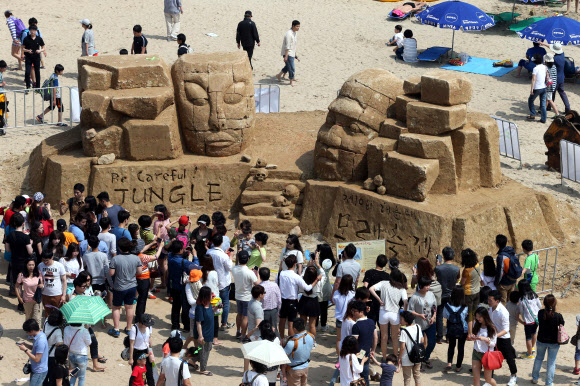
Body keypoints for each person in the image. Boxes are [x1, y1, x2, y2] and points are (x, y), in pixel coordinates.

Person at [279, 254, 322, 341]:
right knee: (292, 324)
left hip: (283, 300)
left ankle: (282, 338)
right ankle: (293, 340)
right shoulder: (296, 277)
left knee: (282, 321)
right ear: (295, 264)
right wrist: (317, 279)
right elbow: (308, 287)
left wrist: (307, 267)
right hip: (294, 301)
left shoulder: (281, 274)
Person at [369, 268, 408, 361]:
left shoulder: (383, 283)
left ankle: (384, 357)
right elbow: (405, 302)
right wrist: (403, 314)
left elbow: (371, 289)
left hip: (383, 312)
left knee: (384, 337)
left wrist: (379, 299)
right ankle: (395, 357)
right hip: (395, 313)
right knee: (394, 338)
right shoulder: (401, 288)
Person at [108, 237, 142, 338]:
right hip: (132, 286)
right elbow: (139, 272)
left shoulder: (115, 259)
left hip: (119, 287)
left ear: (119, 248)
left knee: (116, 307)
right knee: (129, 307)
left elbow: (111, 273)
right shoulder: (136, 258)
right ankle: (128, 328)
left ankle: (116, 329)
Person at [532, 294, 564, 385]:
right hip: (554, 342)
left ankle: (535, 378)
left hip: (541, 340)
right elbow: (562, 325)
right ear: (554, 304)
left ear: (544, 303)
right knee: (551, 363)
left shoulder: (540, 313)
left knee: (538, 359)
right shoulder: (558, 316)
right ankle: (549, 382)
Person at [488, 289, 518, 386]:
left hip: (503, 338)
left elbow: (506, 329)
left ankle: (513, 375)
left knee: (509, 358)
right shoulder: (490, 309)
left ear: (497, 301)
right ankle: (490, 378)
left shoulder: (503, 311)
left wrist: (495, 336)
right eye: (488, 300)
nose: (488, 302)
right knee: (491, 356)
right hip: (493, 336)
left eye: (490, 300)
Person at [167, 239, 198, 331]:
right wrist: (195, 256)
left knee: (175, 306)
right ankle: (186, 326)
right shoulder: (183, 262)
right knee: (185, 307)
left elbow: (173, 255)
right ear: (180, 250)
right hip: (183, 286)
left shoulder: (170, 257)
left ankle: (175, 325)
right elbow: (196, 267)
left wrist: (184, 254)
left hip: (173, 285)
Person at [407, 276, 437, 369]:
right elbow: (409, 310)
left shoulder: (431, 294)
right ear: (420, 286)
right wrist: (419, 315)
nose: (428, 287)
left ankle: (426, 357)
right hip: (418, 324)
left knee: (432, 342)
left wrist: (434, 316)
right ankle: (418, 361)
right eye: (426, 286)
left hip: (430, 323)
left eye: (429, 285)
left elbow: (434, 307)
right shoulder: (415, 297)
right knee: (419, 345)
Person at [6, 212, 33, 309]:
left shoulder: (10, 236)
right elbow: (30, 252)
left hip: (14, 262)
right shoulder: (25, 237)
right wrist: (31, 243)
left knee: (18, 284)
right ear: (23, 224)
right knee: (25, 283)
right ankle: (26, 303)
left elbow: (8, 249)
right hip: (24, 263)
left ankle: (20, 303)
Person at [207, 234, 234, 331]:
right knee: (225, 303)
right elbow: (229, 267)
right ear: (222, 242)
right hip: (223, 282)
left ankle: (212, 321)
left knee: (212, 302)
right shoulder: (223, 255)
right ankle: (224, 323)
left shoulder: (208, 251)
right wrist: (230, 257)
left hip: (212, 282)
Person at [434, 246, 460, 343]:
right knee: (451, 316)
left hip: (440, 294)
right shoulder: (456, 269)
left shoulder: (438, 268)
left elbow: (435, 278)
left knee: (439, 315)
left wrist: (438, 265)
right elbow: (457, 279)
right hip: (451, 294)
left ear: (443, 256)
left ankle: (439, 336)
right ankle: (449, 337)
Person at [232, 250, 259, 341]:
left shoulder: (234, 269)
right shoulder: (249, 272)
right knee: (245, 317)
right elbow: (257, 283)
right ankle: (243, 335)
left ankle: (238, 331)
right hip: (247, 297)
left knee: (239, 314)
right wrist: (257, 273)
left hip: (238, 296)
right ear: (248, 259)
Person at [352, 298, 378, 385]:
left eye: (354, 311)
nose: (353, 313)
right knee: (365, 374)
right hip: (367, 350)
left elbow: (354, 342)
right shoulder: (371, 322)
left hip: (359, 353)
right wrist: (373, 350)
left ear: (361, 312)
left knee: (356, 375)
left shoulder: (356, 326)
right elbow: (375, 337)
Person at [540, 42, 571, 114]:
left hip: (555, 79)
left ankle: (549, 107)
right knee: (562, 93)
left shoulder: (555, 59)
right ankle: (568, 108)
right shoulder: (562, 55)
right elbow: (552, 47)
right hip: (562, 77)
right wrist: (544, 44)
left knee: (552, 92)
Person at [443, 285, 468, 372]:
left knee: (451, 346)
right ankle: (458, 366)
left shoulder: (447, 305)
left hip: (451, 329)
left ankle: (449, 363)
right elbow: (465, 317)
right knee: (461, 348)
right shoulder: (465, 306)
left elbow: (445, 316)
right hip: (462, 329)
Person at [283, 318, 315, 386]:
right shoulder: (311, 336)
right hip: (305, 367)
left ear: (294, 329)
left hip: (294, 370)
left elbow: (283, 357)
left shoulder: (291, 343)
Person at [471, 307, 498, 386]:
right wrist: (473, 337)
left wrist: (485, 339)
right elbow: (475, 336)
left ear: (485, 316)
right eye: (476, 316)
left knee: (488, 379)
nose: (478, 318)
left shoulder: (492, 328)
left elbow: (493, 344)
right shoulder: (476, 324)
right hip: (476, 352)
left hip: (487, 355)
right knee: (476, 378)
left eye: (479, 317)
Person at [19, 319, 49, 385]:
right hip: (36, 369)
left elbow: (37, 359)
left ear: (32, 331)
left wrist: (25, 350)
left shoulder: (41, 341)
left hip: (39, 371)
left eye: (27, 332)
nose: (27, 333)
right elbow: (35, 348)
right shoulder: (39, 335)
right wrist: (26, 345)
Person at [128, 314, 155, 386]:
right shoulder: (134, 329)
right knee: (138, 374)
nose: (147, 326)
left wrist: (151, 352)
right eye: (146, 324)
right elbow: (131, 344)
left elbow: (149, 338)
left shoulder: (149, 326)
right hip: (137, 352)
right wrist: (131, 358)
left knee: (149, 372)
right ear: (141, 323)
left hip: (146, 351)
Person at [398, 310, 424, 386]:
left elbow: (402, 347)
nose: (400, 321)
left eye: (401, 319)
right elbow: (422, 340)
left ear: (406, 321)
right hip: (418, 356)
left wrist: (399, 358)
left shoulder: (404, 331)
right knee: (417, 376)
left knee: (407, 379)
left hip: (406, 358)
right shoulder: (418, 327)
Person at [38, 250, 67, 316]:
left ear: (52, 257)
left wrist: (64, 295)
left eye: (47, 260)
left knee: (58, 313)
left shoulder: (59, 265)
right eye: (43, 260)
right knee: (47, 313)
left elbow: (64, 280)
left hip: (57, 294)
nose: (45, 262)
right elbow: (39, 277)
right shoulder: (40, 265)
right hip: (45, 294)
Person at [298, 263, 324, 337]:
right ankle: (312, 342)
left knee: (302, 324)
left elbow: (302, 274)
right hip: (313, 301)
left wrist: (307, 266)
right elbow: (323, 274)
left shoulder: (302, 280)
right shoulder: (319, 282)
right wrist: (318, 265)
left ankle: (301, 339)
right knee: (312, 325)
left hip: (304, 300)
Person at [16, 256, 43, 326]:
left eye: (33, 265)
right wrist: (19, 298)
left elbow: (42, 283)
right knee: (28, 318)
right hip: (27, 300)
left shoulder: (39, 273)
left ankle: (37, 334)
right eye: (29, 265)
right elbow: (16, 287)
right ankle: (29, 332)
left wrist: (42, 286)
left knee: (37, 318)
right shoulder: (21, 275)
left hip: (38, 300)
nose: (31, 267)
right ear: (26, 265)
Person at [517, 281, 541, 359]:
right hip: (537, 318)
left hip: (528, 321)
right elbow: (539, 306)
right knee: (534, 333)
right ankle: (532, 348)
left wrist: (524, 319)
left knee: (528, 337)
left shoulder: (522, 299)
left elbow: (521, 311)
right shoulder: (534, 295)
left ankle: (530, 354)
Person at [63, 321, 92, 386]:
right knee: (81, 377)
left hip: (71, 355)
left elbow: (65, 343)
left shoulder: (66, 329)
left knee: (73, 375)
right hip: (82, 356)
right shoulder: (84, 330)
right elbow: (89, 342)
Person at [194, 286, 214, 376]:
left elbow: (211, 312)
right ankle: (203, 369)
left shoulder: (208, 304)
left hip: (210, 332)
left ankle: (191, 359)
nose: (212, 295)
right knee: (204, 351)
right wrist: (200, 336)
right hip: (204, 333)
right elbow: (198, 323)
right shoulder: (199, 307)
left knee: (206, 349)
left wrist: (217, 308)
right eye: (210, 294)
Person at [460, 248, 480, 335]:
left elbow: (462, 282)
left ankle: (469, 333)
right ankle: (475, 331)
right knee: (474, 313)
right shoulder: (477, 265)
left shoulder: (466, 271)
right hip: (477, 291)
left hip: (468, 293)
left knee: (469, 315)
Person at [316, 244, 336, 332]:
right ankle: (323, 325)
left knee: (316, 307)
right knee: (324, 308)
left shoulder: (318, 262)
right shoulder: (330, 262)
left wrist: (315, 256)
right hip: (327, 286)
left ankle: (315, 325)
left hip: (318, 285)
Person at [494, 234, 518, 304]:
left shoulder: (501, 257)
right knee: (510, 301)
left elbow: (500, 272)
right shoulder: (511, 251)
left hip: (504, 283)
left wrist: (497, 282)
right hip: (513, 280)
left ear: (497, 244)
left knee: (503, 301)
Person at [276, 20, 300, 87]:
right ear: (293, 26)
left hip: (292, 53)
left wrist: (295, 55)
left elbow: (294, 45)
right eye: (297, 26)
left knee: (288, 66)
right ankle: (291, 82)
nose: (298, 28)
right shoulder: (289, 34)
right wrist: (286, 56)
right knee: (292, 68)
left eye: (299, 26)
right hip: (288, 53)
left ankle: (279, 75)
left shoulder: (295, 33)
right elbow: (287, 46)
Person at [43, 309, 64, 386]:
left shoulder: (46, 322)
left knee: (45, 374)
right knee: (52, 376)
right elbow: (60, 344)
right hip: (52, 355)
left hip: (44, 352)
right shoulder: (57, 330)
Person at [258, 267, 281, 337]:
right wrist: (278, 310)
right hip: (274, 311)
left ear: (260, 276)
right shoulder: (275, 285)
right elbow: (279, 300)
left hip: (263, 311)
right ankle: (279, 344)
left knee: (264, 330)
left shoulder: (259, 287)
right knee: (274, 329)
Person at [183, 269, 202, 350]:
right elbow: (190, 301)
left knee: (199, 333)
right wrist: (201, 300)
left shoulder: (199, 282)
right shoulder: (188, 285)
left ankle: (198, 348)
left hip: (202, 311)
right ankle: (186, 347)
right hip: (194, 313)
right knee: (193, 334)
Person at [22, 25, 44, 89]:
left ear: (36, 31)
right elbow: (22, 48)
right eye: (31, 30)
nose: (32, 31)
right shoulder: (26, 38)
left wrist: (39, 50)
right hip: (28, 57)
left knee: (37, 72)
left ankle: (37, 87)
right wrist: (27, 51)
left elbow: (43, 48)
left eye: (34, 30)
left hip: (36, 57)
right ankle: (28, 86)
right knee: (27, 72)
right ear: (29, 30)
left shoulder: (39, 39)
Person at [528, 53, 548, 123]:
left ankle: (533, 114)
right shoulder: (545, 67)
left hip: (537, 87)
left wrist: (531, 89)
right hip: (544, 87)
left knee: (530, 100)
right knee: (542, 104)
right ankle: (543, 119)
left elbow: (533, 79)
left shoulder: (535, 69)